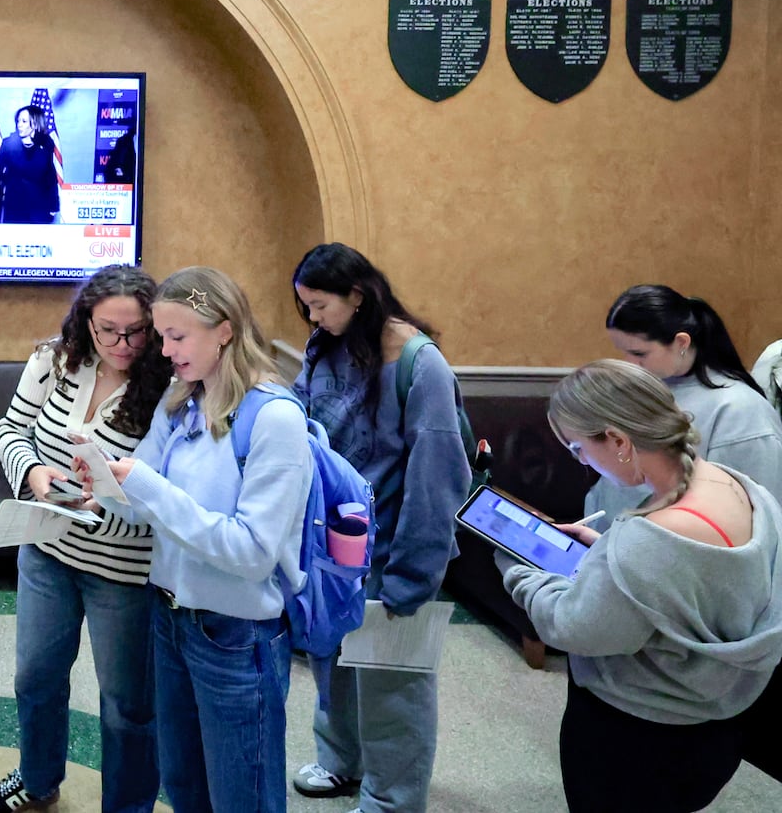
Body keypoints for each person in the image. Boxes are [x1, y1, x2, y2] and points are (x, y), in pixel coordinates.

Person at [501, 359, 782, 813]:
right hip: (719, 728)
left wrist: (518, 565)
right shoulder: (743, 487)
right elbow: (692, 580)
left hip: (637, 738)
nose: (580, 462)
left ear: (617, 440)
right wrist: (609, 550)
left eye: (578, 448)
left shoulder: (647, 540)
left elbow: (573, 628)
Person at [95, 266, 311, 813]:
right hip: (169, 618)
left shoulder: (274, 419)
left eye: (177, 336)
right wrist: (96, 480)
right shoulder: (182, 398)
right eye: (161, 336)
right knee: (185, 784)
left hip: (235, 636)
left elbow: (252, 553)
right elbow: (142, 494)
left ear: (225, 330)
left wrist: (145, 487)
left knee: (243, 795)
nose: (163, 351)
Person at [0, 265, 173, 813]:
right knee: (35, 677)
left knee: (127, 704)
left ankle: (128, 806)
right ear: (86, 322)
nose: (123, 344)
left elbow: (162, 495)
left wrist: (101, 508)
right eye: (108, 330)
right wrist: (34, 475)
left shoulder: (169, 388)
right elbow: (10, 430)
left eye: (136, 331)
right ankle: (39, 781)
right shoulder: (53, 359)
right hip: (46, 549)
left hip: (122, 570)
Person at [289, 243, 470, 813]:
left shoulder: (421, 363)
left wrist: (414, 575)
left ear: (358, 297)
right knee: (332, 666)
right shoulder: (325, 346)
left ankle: (393, 796)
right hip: (331, 548)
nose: (312, 320)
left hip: (391, 552)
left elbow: (439, 475)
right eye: (306, 308)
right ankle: (342, 761)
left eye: (320, 306)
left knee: (394, 685)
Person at [589, 284, 782, 522]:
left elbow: (754, 514)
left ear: (681, 343)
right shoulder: (644, 391)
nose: (629, 364)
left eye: (639, 354)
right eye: (624, 352)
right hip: (615, 542)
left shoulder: (739, 409)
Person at [0, 105, 60, 225]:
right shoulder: (8, 144)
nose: (19, 124)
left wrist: (54, 206)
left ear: (35, 124)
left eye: (24, 121)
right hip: (14, 208)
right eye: (18, 121)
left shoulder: (46, 144)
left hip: (40, 210)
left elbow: (50, 178)